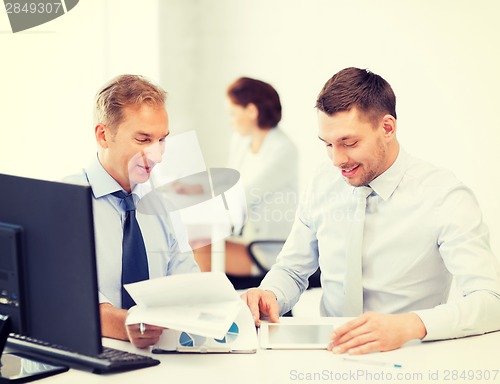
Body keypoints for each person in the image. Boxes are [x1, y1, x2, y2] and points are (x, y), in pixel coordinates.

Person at [242, 67, 500, 354]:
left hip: (411, 357)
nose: (337, 159)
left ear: (387, 128)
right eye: (327, 144)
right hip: (330, 357)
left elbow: (491, 299)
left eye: (349, 143)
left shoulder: (445, 196)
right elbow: (292, 270)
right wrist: (270, 294)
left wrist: (410, 325)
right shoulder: (322, 183)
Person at [64, 74, 200, 348]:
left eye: (162, 140)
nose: (157, 155)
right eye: (143, 139)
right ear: (103, 135)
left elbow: (187, 286)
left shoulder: (162, 205)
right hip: (86, 360)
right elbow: (66, 300)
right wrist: (127, 324)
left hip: (156, 360)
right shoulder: (60, 202)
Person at [182, 77, 299, 276]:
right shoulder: (241, 142)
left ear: (252, 111)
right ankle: (203, 299)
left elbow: (243, 195)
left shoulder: (283, 149)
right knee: (190, 239)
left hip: (266, 249)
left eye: (233, 113)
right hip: (243, 237)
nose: (230, 121)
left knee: (196, 245)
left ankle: (206, 300)